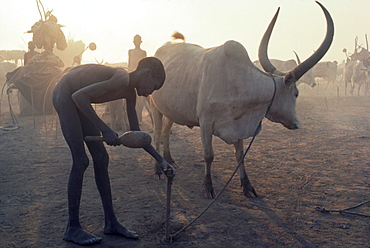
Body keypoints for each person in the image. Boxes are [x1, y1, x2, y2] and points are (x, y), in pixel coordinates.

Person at [52, 56, 174, 245]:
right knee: (81, 161)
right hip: (65, 94)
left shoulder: (130, 94)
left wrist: (161, 160)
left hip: (79, 101)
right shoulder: (121, 77)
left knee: (101, 157)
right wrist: (105, 129)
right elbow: (78, 97)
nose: (150, 93)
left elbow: (138, 135)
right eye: (153, 86)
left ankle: (111, 223)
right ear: (146, 74)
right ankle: (72, 227)